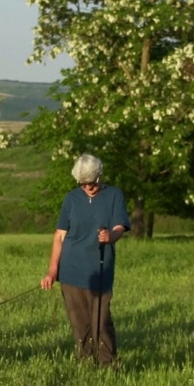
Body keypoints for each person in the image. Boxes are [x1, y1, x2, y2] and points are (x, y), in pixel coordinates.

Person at [39, 154, 130, 367]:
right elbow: (59, 235)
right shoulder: (71, 198)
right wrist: (52, 272)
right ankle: (85, 365)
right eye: (83, 184)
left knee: (101, 321)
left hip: (100, 270)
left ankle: (108, 365)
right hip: (71, 271)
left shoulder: (114, 195)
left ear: (100, 175)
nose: (88, 187)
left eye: (92, 182)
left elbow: (119, 227)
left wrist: (111, 237)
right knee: (80, 324)